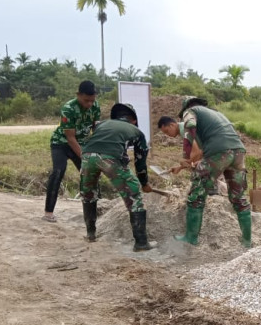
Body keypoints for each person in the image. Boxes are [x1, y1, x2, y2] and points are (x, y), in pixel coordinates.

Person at [157, 97, 251, 248]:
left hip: (219, 153)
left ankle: (191, 238)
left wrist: (185, 157)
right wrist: (183, 166)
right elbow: (200, 152)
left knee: (196, 194)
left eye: (167, 130)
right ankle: (247, 242)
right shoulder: (215, 114)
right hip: (238, 152)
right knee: (238, 198)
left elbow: (190, 125)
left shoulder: (191, 111)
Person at [80, 102, 156, 251]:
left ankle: (91, 234)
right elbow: (140, 163)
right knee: (134, 196)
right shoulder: (137, 131)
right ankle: (141, 242)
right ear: (133, 120)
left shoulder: (102, 124)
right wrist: (144, 183)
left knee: (88, 194)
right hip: (110, 159)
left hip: (87, 157)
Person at [43, 80, 101, 222]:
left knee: (90, 174)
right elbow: (70, 138)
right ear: (78, 95)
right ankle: (48, 213)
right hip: (61, 144)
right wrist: (84, 157)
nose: (89, 104)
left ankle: (93, 211)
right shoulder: (68, 108)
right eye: (86, 100)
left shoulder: (95, 106)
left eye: (92, 101)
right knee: (58, 171)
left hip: (82, 143)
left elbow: (96, 129)